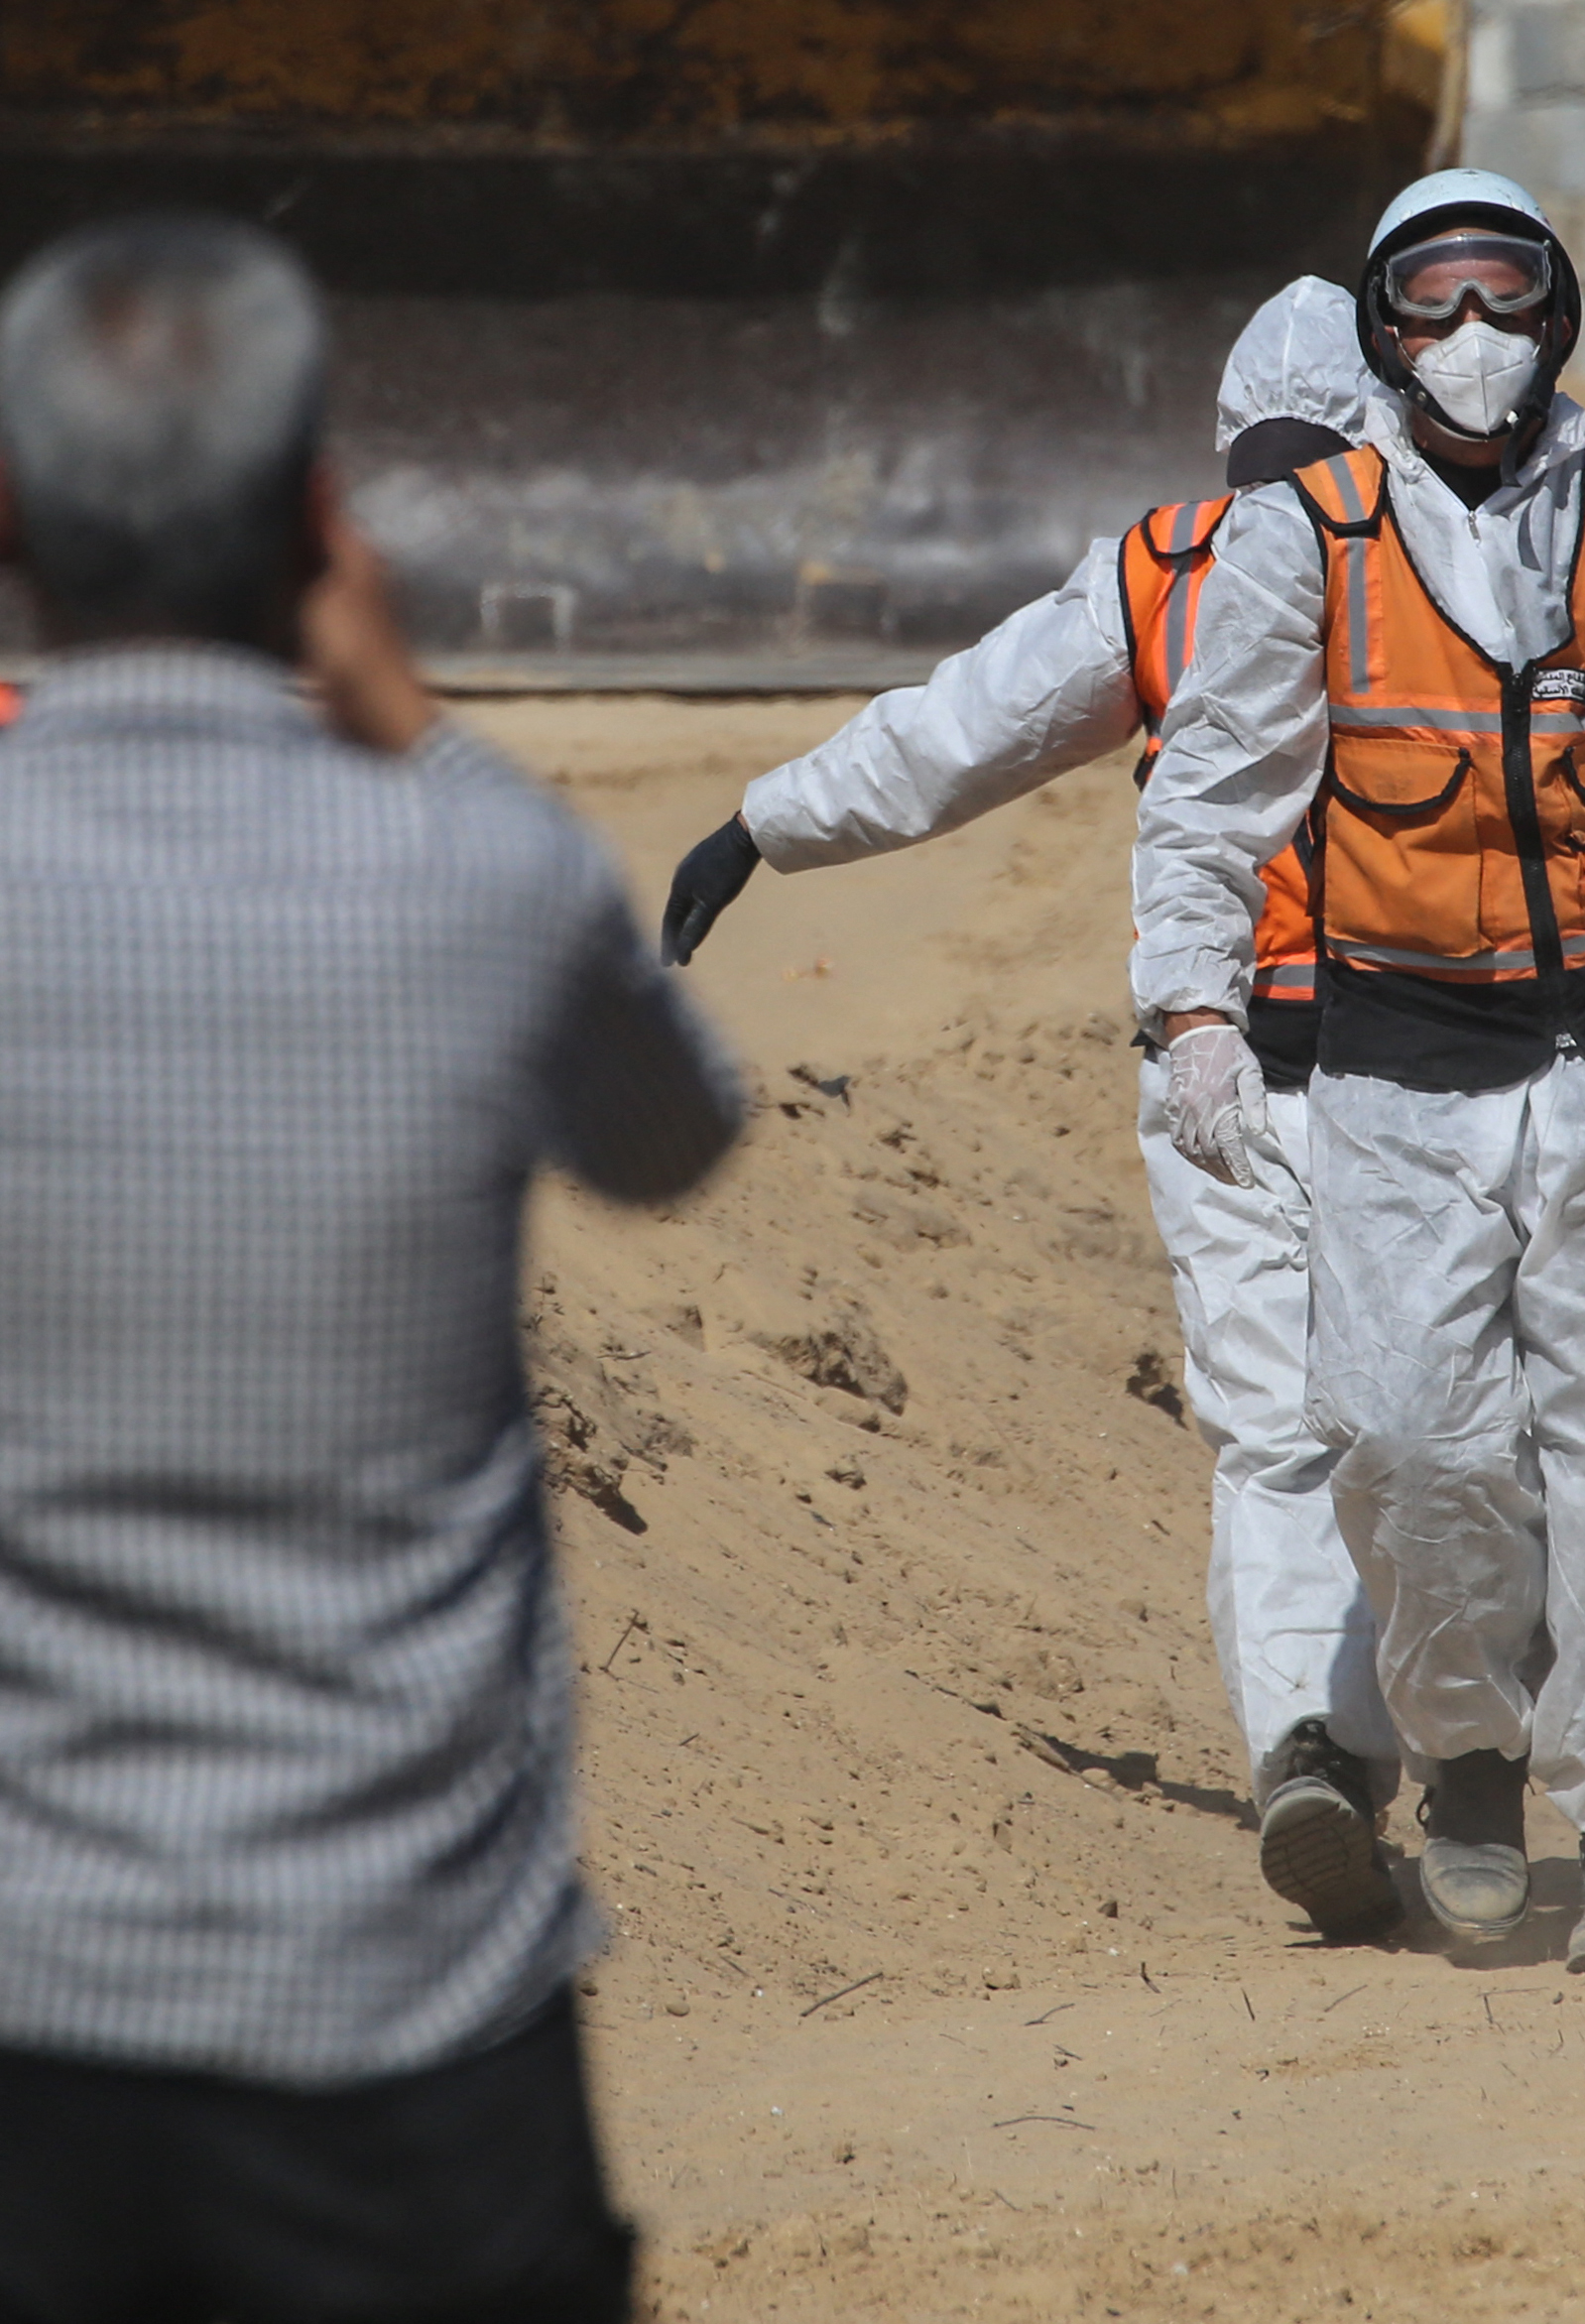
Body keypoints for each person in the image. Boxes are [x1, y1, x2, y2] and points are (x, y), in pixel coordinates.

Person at [0, 213, 743, 2319]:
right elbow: (677, 1134)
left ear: (13, 517)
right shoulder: (477, 868)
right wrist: (418, 726)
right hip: (408, 2014)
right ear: (323, 521)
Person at [655, 280, 1418, 1945]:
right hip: (1427, 1062)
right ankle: (1458, 1753)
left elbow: (960, 732)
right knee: (1451, 1415)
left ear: (1229, 428)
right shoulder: (1438, 555)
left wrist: (765, 823)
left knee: (1271, 1432)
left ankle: (1315, 1751)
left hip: (1213, 1067)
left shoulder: (1161, 566)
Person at [1132, 168, 1585, 1975]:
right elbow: (1212, 791)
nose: (1472, 333)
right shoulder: (1313, 533)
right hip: (1407, 1051)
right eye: (1430, 299)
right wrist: (1195, 1011)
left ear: (1558, 313)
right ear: (1382, 333)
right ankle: (1472, 1764)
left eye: (1504, 291)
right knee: (1407, 1433)